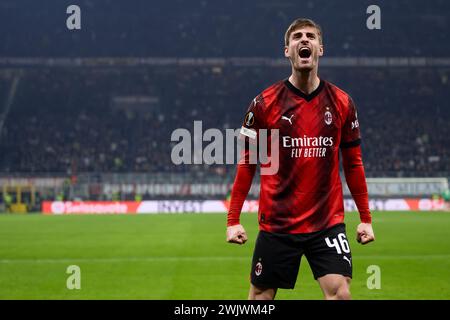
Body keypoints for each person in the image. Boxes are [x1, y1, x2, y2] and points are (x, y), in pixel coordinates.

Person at [226, 18, 375, 300]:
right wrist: (233, 220)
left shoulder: (342, 102)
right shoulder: (264, 104)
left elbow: (353, 163)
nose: (304, 40)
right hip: (278, 224)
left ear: (321, 48)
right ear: (287, 50)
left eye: (310, 36)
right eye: (297, 37)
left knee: (341, 294)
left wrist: (365, 218)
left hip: (326, 223)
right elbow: (248, 164)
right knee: (260, 297)